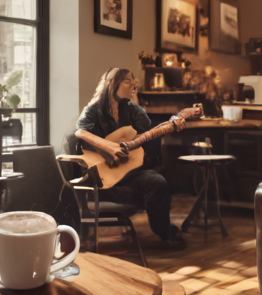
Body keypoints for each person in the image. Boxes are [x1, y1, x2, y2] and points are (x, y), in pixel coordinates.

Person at [75, 67, 186, 249]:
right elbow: (80, 132)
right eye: (128, 81)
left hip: (128, 173)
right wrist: (109, 147)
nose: (134, 84)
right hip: (102, 178)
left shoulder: (132, 109)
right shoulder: (93, 110)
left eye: (134, 82)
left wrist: (164, 127)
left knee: (158, 181)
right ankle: (162, 223)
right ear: (112, 84)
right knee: (153, 190)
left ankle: (164, 232)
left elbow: (145, 133)